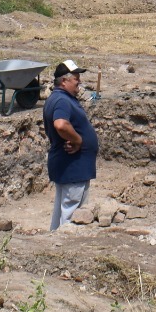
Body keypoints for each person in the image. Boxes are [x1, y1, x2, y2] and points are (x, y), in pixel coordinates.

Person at [43, 60, 99, 231]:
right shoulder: (62, 101)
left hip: (70, 167)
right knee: (72, 214)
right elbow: (60, 124)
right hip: (73, 167)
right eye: (76, 78)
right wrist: (78, 140)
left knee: (62, 211)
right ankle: (64, 248)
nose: (79, 82)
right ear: (64, 81)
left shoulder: (61, 98)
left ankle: (54, 243)